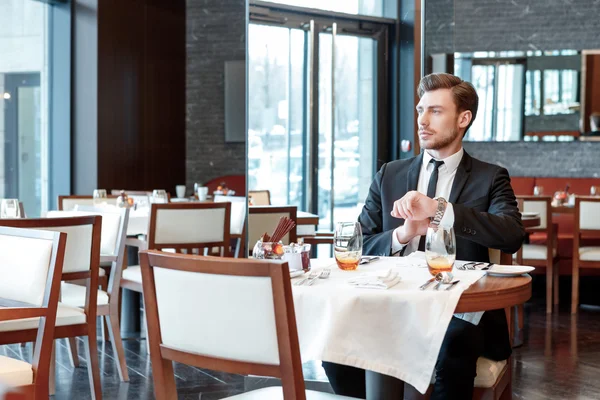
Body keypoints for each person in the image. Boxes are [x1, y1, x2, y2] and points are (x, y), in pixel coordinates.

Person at [322, 73, 526, 399]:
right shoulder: (390, 173)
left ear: (463, 118)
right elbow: (359, 243)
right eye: (420, 110)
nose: (422, 121)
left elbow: (512, 234)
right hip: (389, 302)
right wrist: (403, 234)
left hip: (458, 310)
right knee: (335, 346)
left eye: (435, 111)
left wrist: (440, 209)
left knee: (451, 346)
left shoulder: (490, 178)